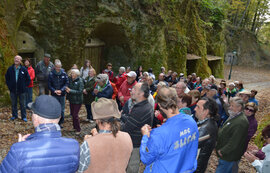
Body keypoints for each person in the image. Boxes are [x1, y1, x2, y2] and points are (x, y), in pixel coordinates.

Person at [0, 95, 80, 173]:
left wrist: (21, 148)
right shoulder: (74, 145)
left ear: (35, 117)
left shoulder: (18, 150)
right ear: (59, 117)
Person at [140, 87, 199, 173]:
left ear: (159, 105)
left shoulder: (158, 134)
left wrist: (145, 136)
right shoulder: (191, 122)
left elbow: (146, 158)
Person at [78, 98, 133, 173]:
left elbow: (81, 169)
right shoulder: (127, 137)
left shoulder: (88, 144)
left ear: (97, 120)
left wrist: (89, 141)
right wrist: (96, 137)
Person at [121, 82, 154, 173]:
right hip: (137, 142)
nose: (132, 91)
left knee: (132, 168)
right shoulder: (145, 105)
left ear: (142, 93)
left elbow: (126, 129)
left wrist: (115, 122)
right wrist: (122, 116)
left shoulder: (140, 109)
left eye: (135, 89)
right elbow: (133, 121)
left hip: (135, 145)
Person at [215, 97, 249, 173]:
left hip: (229, 156)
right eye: (230, 105)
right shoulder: (234, 116)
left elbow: (235, 141)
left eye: (232, 106)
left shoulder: (241, 122)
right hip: (228, 155)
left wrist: (223, 151)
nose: (230, 107)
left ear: (239, 107)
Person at [194, 97, 218, 173]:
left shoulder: (206, 129)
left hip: (195, 168)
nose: (195, 109)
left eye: (198, 107)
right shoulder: (206, 123)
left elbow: (188, 145)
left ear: (206, 111)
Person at [5, 55, 30, 122]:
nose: (16, 60)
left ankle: (24, 117)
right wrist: (9, 86)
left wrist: (24, 86)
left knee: (23, 104)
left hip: (22, 91)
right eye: (15, 58)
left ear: (20, 61)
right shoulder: (10, 69)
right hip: (13, 90)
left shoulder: (24, 69)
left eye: (18, 59)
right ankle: (14, 116)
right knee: (14, 104)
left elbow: (28, 79)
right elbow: (7, 78)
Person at [48, 59, 69, 127]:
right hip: (54, 94)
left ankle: (60, 122)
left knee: (62, 109)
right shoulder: (51, 74)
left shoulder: (64, 73)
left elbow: (66, 83)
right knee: (55, 108)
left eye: (59, 67)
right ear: (54, 66)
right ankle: (55, 122)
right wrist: (54, 90)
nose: (58, 68)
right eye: (57, 67)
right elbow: (49, 85)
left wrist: (62, 90)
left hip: (62, 94)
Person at [66, 69, 84, 134]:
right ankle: (74, 127)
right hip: (72, 100)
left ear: (77, 74)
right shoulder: (70, 79)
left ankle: (78, 129)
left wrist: (70, 91)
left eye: (73, 73)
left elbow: (80, 91)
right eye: (71, 73)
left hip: (78, 100)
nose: (72, 74)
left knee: (75, 115)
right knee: (73, 115)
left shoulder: (80, 81)